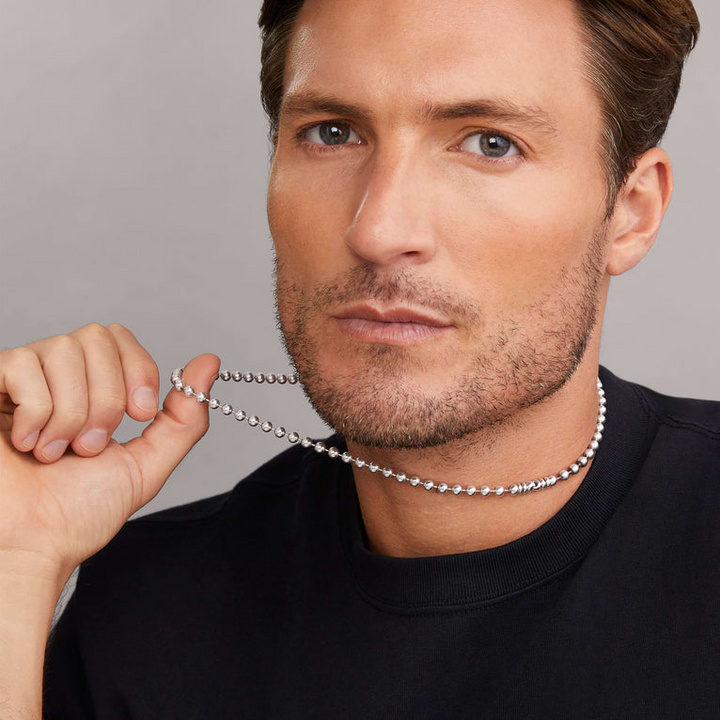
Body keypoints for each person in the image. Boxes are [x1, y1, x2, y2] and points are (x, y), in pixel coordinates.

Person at [0, 0, 714, 717]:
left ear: (632, 211)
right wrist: (15, 566)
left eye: (490, 143)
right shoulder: (146, 609)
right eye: (331, 133)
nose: (378, 228)